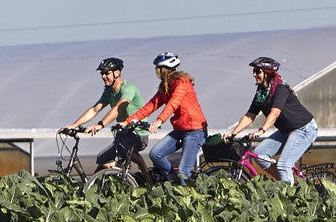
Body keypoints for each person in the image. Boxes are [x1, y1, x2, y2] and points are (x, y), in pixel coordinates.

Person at [227, 55, 320, 184]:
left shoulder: (280, 88)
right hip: (286, 131)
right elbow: (249, 116)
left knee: (283, 165)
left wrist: (261, 130)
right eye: (254, 71)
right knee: (260, 154)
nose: (254, 74)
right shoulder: (261, 92)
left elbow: (274, 113)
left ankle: (289, 196)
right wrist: (233, 134)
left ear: (267, 73)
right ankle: (287, 182)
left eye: (257, 71)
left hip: (303, 129)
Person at [120, 52, 208, 184]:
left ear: (166, 69)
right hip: (180, 130)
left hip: (195, 131)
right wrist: (127, 121)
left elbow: (173, 103)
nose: (157, 72)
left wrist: (159, 121)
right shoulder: (165, 87)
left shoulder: (182, 83)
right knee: (155, 154)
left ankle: (186, 197)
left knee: (184, 171)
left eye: (159, 69)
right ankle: (173, 179)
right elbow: (151, 106)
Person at [60, 56, 151, 174]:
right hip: (123, 135)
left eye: (107, 73)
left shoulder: (128, 88)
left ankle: (129, 177)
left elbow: (118, 108)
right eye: (102, 74)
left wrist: (100, 125)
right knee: (102, 159)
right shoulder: (108, 92)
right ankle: (107, 182)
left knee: (115, 159)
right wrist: (74, 125)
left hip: (137, 134)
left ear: (117, 72)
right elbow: (95, 109)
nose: (103, 76)